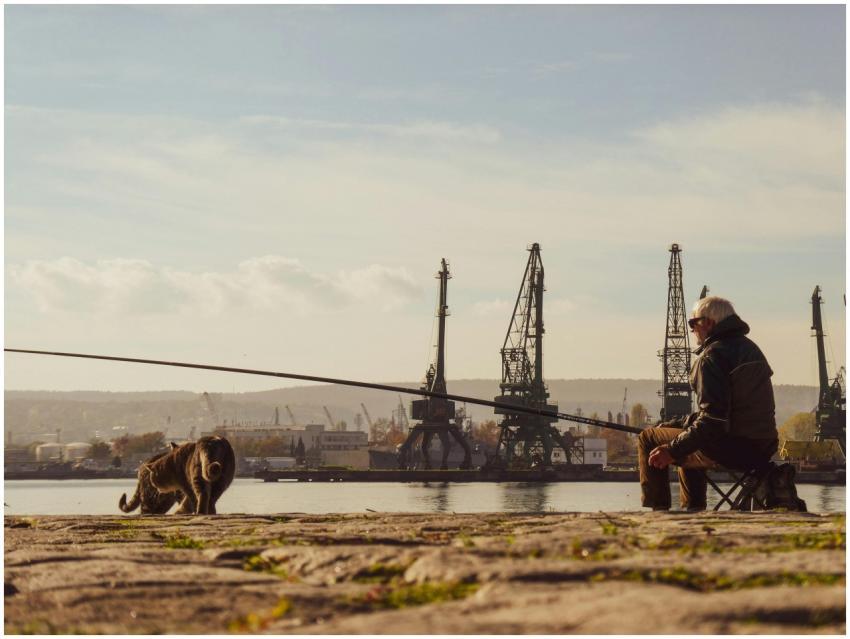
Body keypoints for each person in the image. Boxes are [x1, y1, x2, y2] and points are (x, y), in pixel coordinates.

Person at [638, 296, 779, 510]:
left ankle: (658, 511)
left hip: (730, 448)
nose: (692, 329)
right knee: (688, 437)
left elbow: (713, 421)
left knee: (648, 438)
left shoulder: (711, 357)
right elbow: (730, 411)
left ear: (708, 323)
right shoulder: (752, 350)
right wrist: (680, 425)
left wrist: (671, 450)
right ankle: (692, 509)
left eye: (693, 323)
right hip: (763, 447)